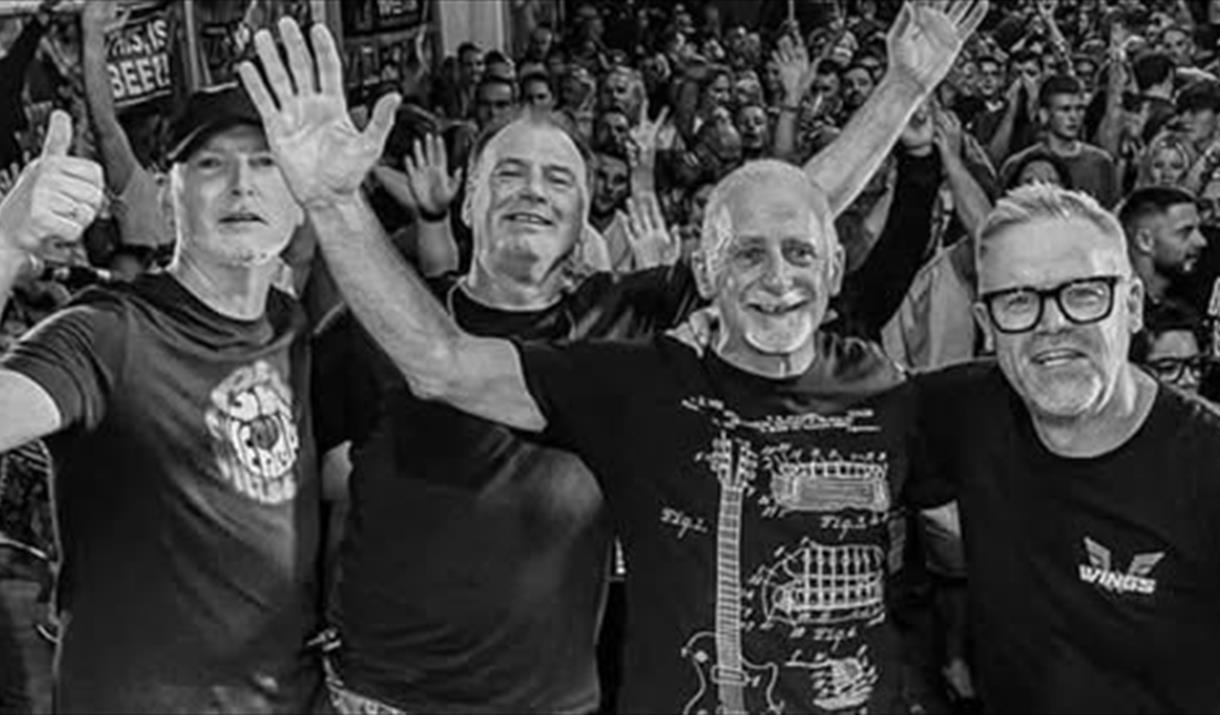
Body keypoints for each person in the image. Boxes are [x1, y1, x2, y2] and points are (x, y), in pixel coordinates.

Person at [238, 6, 987, 713]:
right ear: (465, 202)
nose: (533, 191)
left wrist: (901, 89)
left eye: (558, 178)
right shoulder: (381, 318)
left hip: (553, 699)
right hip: (382, 695)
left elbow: (785, 214)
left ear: (584, 218)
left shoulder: (623, 324)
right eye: (508, 173)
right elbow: (281, 492)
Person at [0, 89, 324, 712]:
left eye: (266, 162)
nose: (240, 185)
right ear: (166, 198)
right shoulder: (108, 332)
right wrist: (9, 244)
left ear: (300, 199)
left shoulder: (294, 327)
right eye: (209, 163)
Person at [907, 184, 1220, 712]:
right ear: (987, 327)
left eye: (1083, 293)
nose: (1052, 324)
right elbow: (810, 381)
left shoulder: (1207, 463)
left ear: (1134, 306)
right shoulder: (961, 410)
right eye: (1018, 299)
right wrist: (723, 331)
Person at [1000, 74, 1119, 207]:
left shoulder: (1101, 163)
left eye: (1079, 109)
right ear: (1044, 114)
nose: (1073, 117)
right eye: (1065, 109)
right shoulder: (1019, 165)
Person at [1117, 185, 1207, 310]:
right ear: (1145, 241)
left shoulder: (1188, 306)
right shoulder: (1116, 313)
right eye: (1185, 232)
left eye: (1198, 230)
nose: (1201, 241)